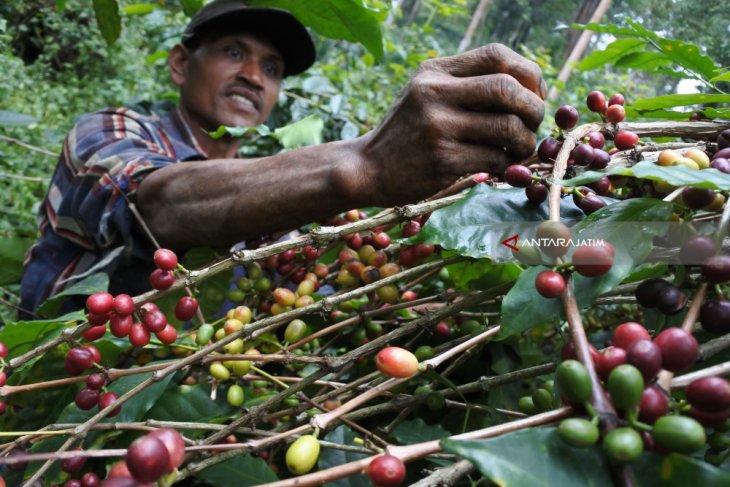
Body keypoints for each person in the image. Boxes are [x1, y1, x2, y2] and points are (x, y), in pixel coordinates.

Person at [19, 0, 546, 318]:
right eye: (233, 52)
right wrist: (366, 162)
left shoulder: (280, 190)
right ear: (180, 63)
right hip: (44, 415)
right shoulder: (110, 132)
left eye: (271, 67)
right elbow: (156, 205)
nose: (253, 74)